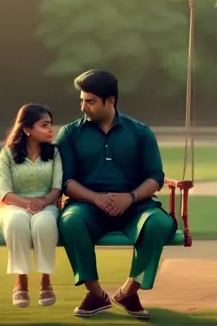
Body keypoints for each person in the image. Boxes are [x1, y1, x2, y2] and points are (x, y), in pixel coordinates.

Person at [55, 69, 176, 319]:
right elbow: (65, 181)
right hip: (87, 205)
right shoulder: (70, 133)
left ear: (110, 101)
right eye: (82, 100)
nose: (83, 106)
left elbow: (156, 177)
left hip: (135, 205)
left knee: (159, 223)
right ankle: (96, 294)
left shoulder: (140, 132)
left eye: (89, 101)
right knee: (70, 221)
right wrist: (96, 198)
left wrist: (129, 197)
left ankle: (129, 291)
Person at [0, 103, 62, 308]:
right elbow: (5, 192)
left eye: (51, 124)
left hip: (46, 204)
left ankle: (46, 280)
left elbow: (57, 188)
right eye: (44, 125)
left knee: (44, 224)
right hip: (15, 205)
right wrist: (27, 204)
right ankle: (21, 280)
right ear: (27, 129)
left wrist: (42, 203)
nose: (51, 130)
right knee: (16, 222)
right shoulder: (8, 154)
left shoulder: (55, 153)